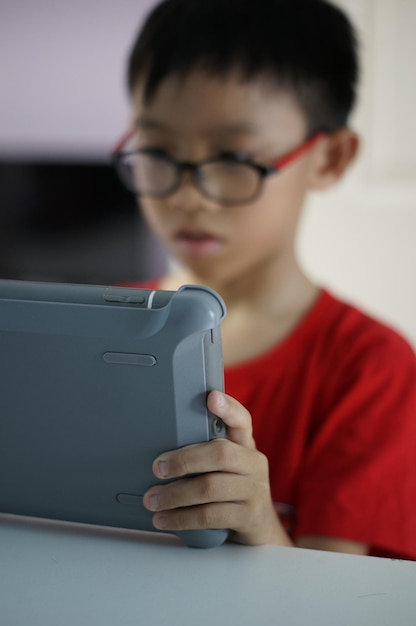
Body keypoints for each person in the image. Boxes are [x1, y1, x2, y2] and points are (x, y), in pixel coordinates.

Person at [113, 0, 416, 558]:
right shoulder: (100, 327)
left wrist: (259, 531)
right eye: (157, 151)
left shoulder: (371, 371)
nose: (186, 195)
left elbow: (340, 606)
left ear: (328, 158)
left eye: (232, 155)